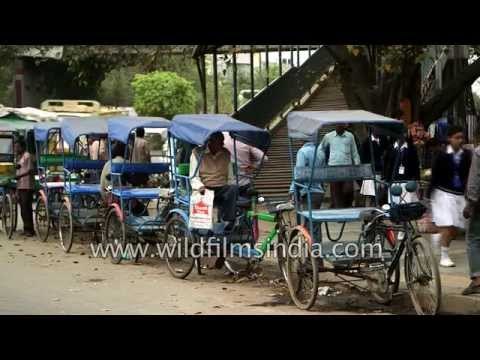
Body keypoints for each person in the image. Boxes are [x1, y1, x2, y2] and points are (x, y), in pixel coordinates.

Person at [427, 126, 472, 268]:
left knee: (456, 227)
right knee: (448, 223)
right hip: (443, 193)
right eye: (457, 137)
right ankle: (444, 255)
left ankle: (441, 238)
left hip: (459, 194)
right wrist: (429, 195)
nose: (460, 140)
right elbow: (434, 177)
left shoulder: (467, 155)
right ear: (449, 139)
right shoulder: (441, 155)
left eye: (461, 138)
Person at [189, 132, 238, 231]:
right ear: (210, 142)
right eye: (219, 142)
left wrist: (233, 186)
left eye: (222, 142)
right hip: (205, 186)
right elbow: (193, 177)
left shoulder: (226, 153)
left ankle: (228, 220)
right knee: (203, 194)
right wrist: (200, 187)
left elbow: (230, 177)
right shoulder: (197, 153)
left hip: (221, 186)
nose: (222, 145)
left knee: (233, 188)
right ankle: (204, 229)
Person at [320, 124, 361, 208]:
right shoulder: (328, 136)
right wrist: (322, 161)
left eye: (341, 125)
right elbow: (321, 148)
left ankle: (347, 206)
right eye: (337, 125)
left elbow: (354, 152)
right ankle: (338, 210)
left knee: (348, 189)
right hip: (333, 167)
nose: (339, 127)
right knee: (335, 191)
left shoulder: (350, 136)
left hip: (347, 167)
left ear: (344, 126)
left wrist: (357, 166)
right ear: (335, 126)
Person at [462, 142, 480, 295]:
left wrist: (470, 204)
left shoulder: (479, 153)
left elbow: (474, 181)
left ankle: (477, 280)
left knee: (473, 238)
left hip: (479, 205)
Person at [384, 134, 420, 204]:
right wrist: (386, 179)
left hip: (408, 182)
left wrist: (417, 180)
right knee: (394, 203)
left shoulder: (411, 149)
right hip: (394, 181)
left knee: (408, 203)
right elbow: (386, 165)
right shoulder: (390, 148)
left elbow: (416, 165)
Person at [360, 129, 388, 206]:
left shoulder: (384, 140)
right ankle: (371, 211)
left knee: (382, 193)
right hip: (372, 171)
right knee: (372, 195)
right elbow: (363, 159)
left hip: (383, 171)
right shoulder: (366, 142)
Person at [15, 137, 35, 237]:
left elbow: (31, 170)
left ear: (22, 147)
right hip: (20, 185)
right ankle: (26, 228)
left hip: (27, 185)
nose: (16, 149)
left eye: (18, 147)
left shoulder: (27, 156)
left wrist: (20, 175)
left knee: (27, 208)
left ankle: (30, 230)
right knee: (23, 208)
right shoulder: (19, 157)